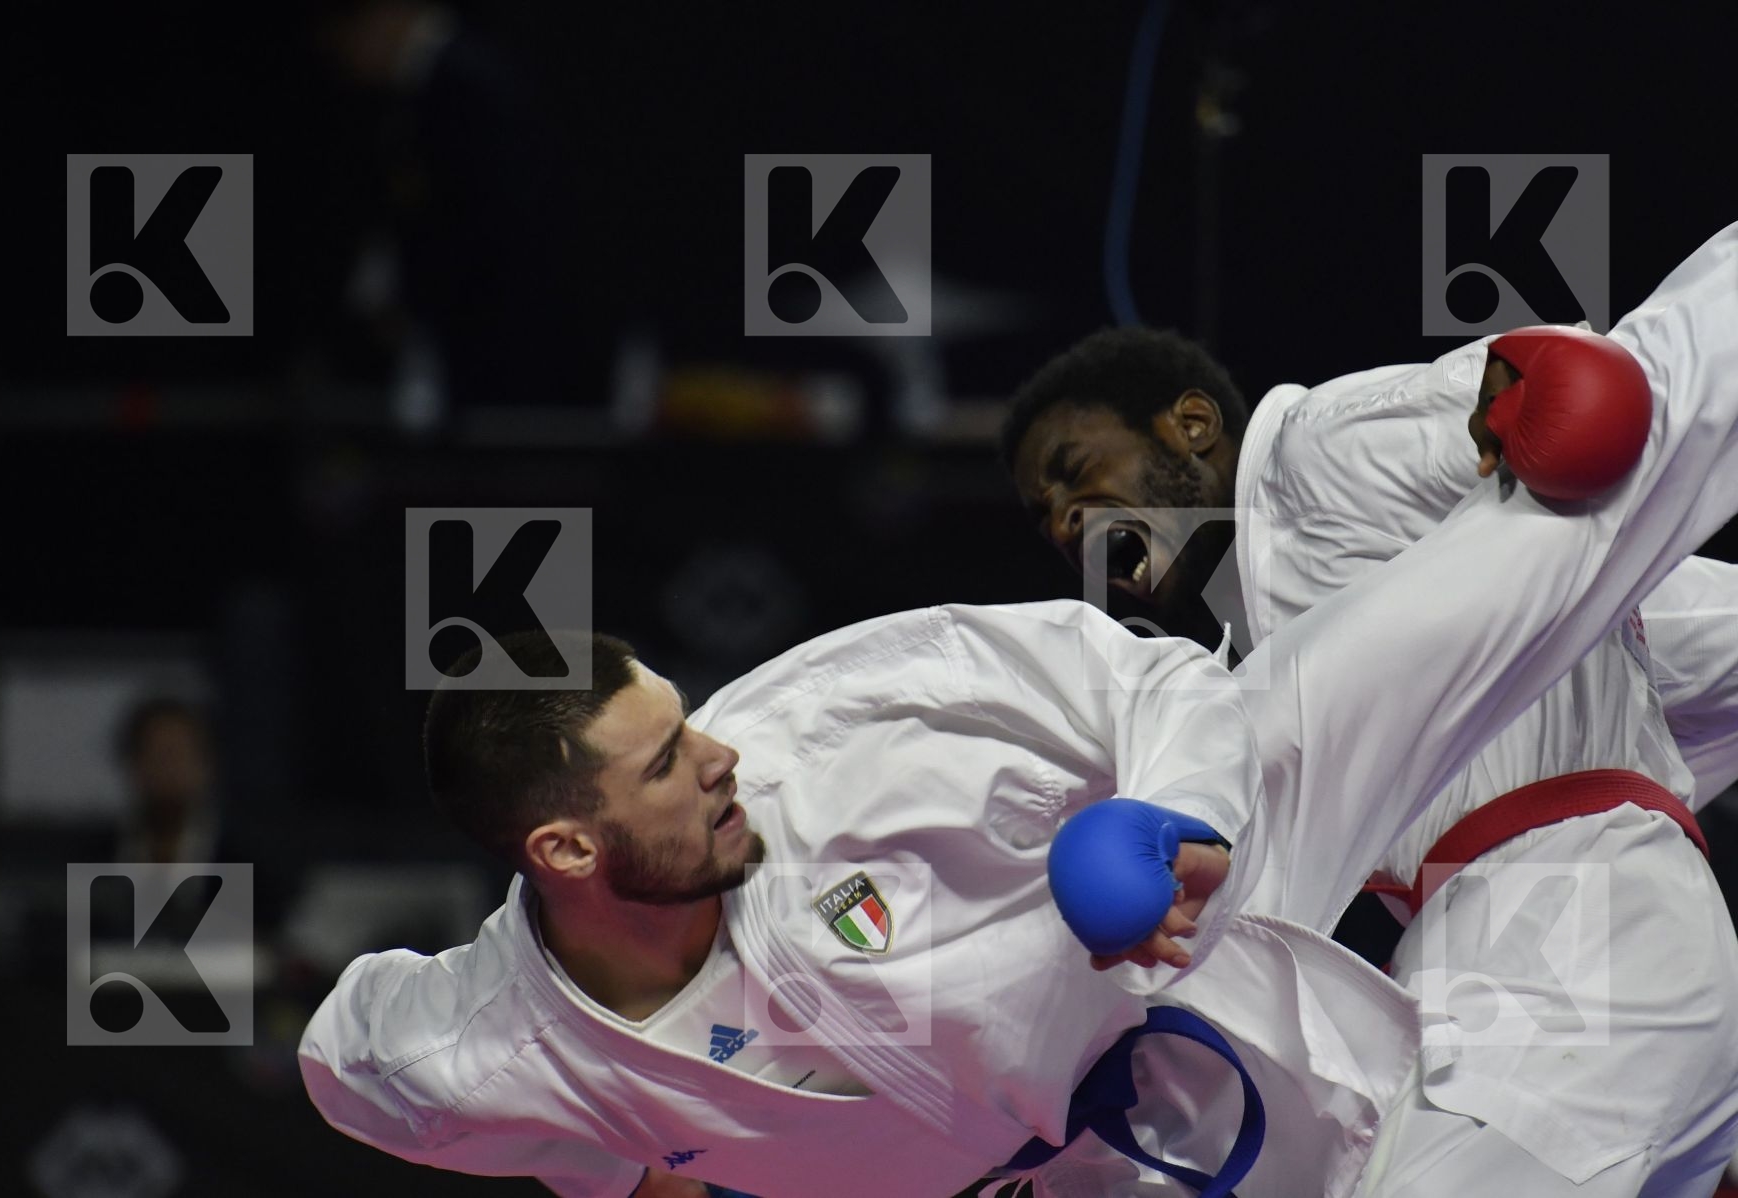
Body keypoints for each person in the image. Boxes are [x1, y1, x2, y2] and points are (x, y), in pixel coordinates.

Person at [301, 225, 1738, 1196]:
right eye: (671, 760)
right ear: (559, 850)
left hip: (1188, 910)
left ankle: (1698, 349)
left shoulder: (822, 730)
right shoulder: (480, 1045)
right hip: (1143, 1133)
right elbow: (347, 1051)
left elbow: (1141, 678)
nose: (721, 749)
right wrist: (614, 1163)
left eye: (688, 720)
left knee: (1495, 582)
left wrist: (1168, 809)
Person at [1006, 222, 1738, 1194]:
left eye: (1071, 468)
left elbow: (1537, 388)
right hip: (1552, 956)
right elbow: (1685, 639)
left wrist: (1513, 393)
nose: (1064, 520)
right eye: (1042, 514)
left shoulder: (1312, 461)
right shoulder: (1232, 684)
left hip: (1567, 943)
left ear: (1189, 424)